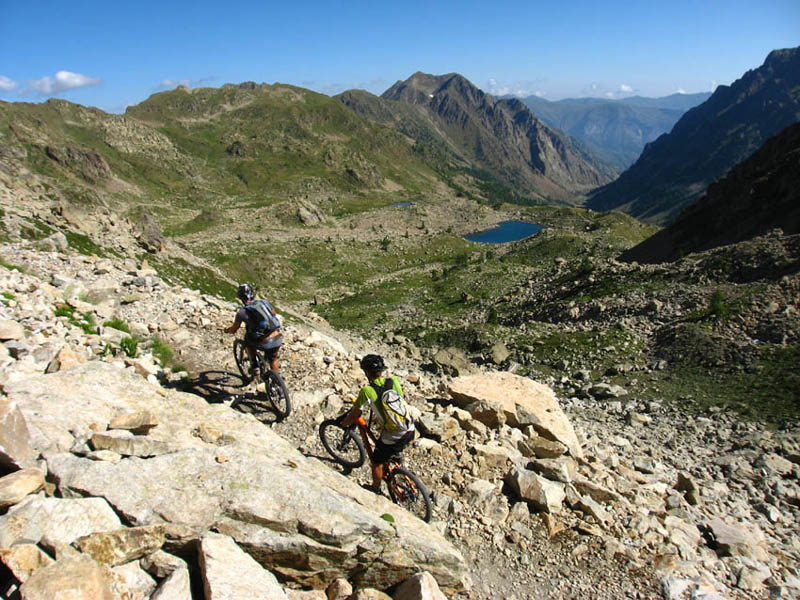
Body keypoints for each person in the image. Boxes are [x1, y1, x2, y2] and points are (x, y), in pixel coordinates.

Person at [341, 354, 415, 493]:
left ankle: (375, 488)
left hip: (394, 433)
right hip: (409, 426)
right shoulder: (393, 381)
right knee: (391, 448)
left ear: (367, 373)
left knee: (376, 461)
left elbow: (356, 413)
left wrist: (345, 423)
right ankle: (397, 462)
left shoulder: (367, 391)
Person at [224, 283, 283, 374]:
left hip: (265, 342)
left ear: (240, 297)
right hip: (278, 337)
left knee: (248, 341)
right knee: (273, 358)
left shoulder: (242, 312)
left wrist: (227, 330)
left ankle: (255, 366)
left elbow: (234, 329)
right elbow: (274, 314)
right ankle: (277, 383)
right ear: (252, 294)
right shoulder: (264, 302)